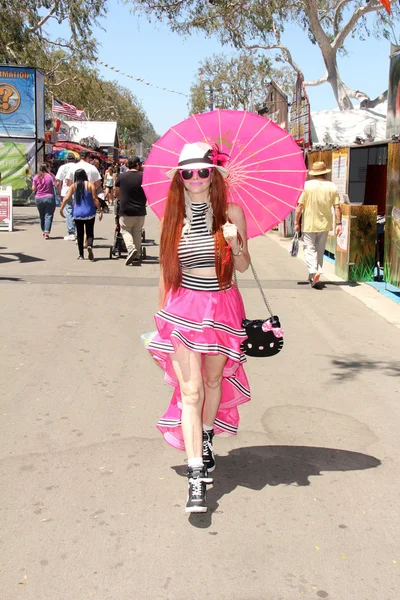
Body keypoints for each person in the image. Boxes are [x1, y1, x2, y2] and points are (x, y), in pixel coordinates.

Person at [146, 142, 251, 514]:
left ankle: (206, 437)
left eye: (202, 171)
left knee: (211, 383)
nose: (194, 178)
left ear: (214, 176)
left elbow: (241, 268)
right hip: (183, 310)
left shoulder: (232, 213)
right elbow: (165, 273)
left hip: (221, 307)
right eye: (186, 172)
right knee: (190, 393)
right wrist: (160, 319)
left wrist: (235, 242)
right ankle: (195, 476)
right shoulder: (171, 218)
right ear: (179, 177)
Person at [295, 161, 342, 287]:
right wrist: (339, 224)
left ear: (313, 174)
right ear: (325, 173)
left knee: (309, 248)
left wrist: (296, 222)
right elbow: (337, 207)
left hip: (309, 223)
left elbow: (299, 206)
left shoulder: (306, 186)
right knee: (320, 250)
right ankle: (314, 276)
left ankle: (313, 271)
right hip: (325, 224)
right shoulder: (332, 187)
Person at [60, 169, 103, 260]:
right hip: (89, 212)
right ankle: (89, 245)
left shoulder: (73, 186)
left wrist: (61, 209)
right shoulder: (90, 185)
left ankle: (81, 255)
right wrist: (100, 210)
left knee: (79, 234)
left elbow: (67, 198)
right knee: (89, 232)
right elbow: (95, 199)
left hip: (77, 213)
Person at [115, 157, 147, 266]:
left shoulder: (122, 176)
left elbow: (117, 193)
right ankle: (137, 256)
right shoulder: (143, 177)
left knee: (125, 230)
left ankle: (131, 248)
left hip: (126, 209)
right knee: (137, 232)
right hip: (140, 210)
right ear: (138, 165)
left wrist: (120, 200)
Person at [32, 163, 56, 239]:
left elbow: (33, 188)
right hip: (49, 197)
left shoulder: (36, 177)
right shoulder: (50, 176)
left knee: (42, 215)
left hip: (39, 198)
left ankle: (44, 230)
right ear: (47, 168)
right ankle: (46, 232)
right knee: (48, 215)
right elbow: (56, 184)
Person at [55, 153, 76, 240]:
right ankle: (78, 231)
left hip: (65, 191)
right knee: (76, 211)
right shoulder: (77, 166)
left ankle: (71, 232)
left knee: (68, 211)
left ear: (67, 159)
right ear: (74, 160)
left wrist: (59, 194)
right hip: (76, 190)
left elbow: (58, 182)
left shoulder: (62, 167)